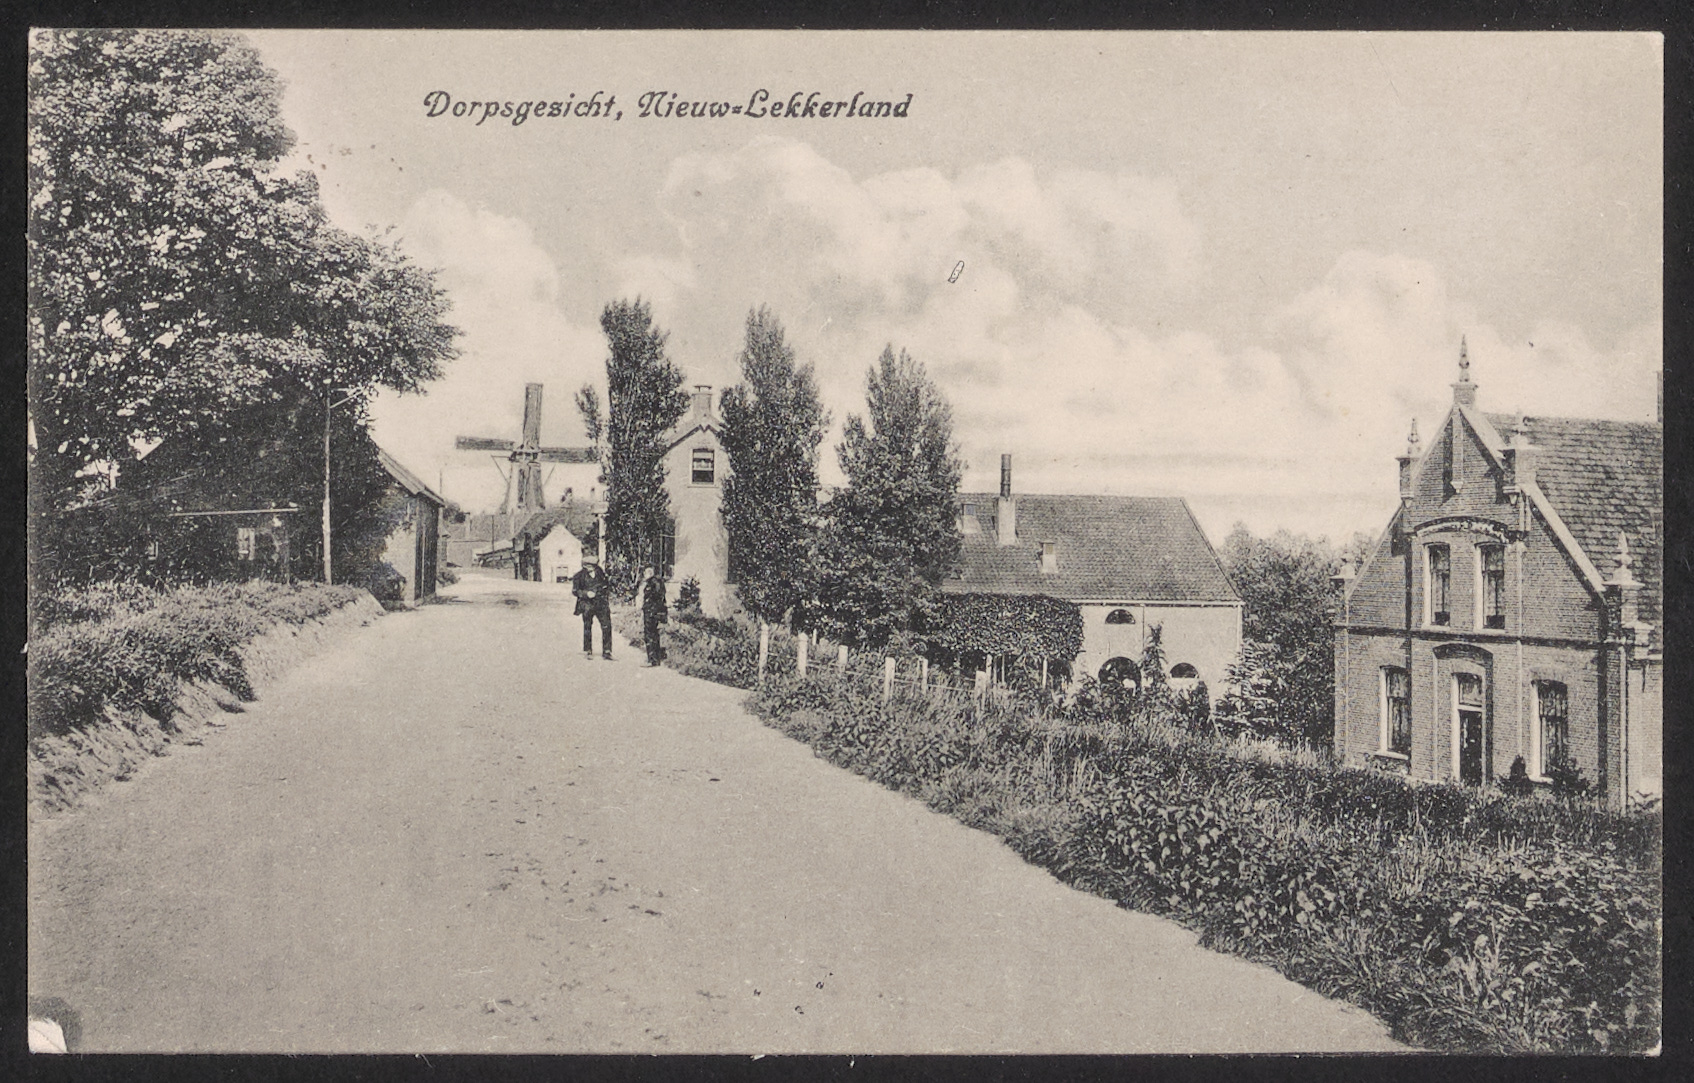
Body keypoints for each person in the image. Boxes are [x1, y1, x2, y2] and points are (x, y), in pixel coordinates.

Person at [571, 553, 613, 660]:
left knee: (606, 625)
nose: (591, 569)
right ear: (584, 566)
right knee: (587, 626)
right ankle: (588, 650)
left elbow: (607, 585)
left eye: (592, 566)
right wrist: (586, 594)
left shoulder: (600, 573)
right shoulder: (578, 576)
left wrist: (603, 593)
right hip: (587, 604)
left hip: (601, 604)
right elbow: (575, 591)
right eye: (588, 566)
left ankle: (607, 651)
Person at [639, 565, 668, 667]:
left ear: (650, 573)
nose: (644, 575)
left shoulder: (653, 583)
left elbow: (656, 598)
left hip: (651, 613)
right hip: (653, 612)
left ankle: (652, 659)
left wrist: (651, 610)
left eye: (645, 573)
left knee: (650, 635)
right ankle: (655, 658)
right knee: (654, 635)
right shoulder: (656, 582)